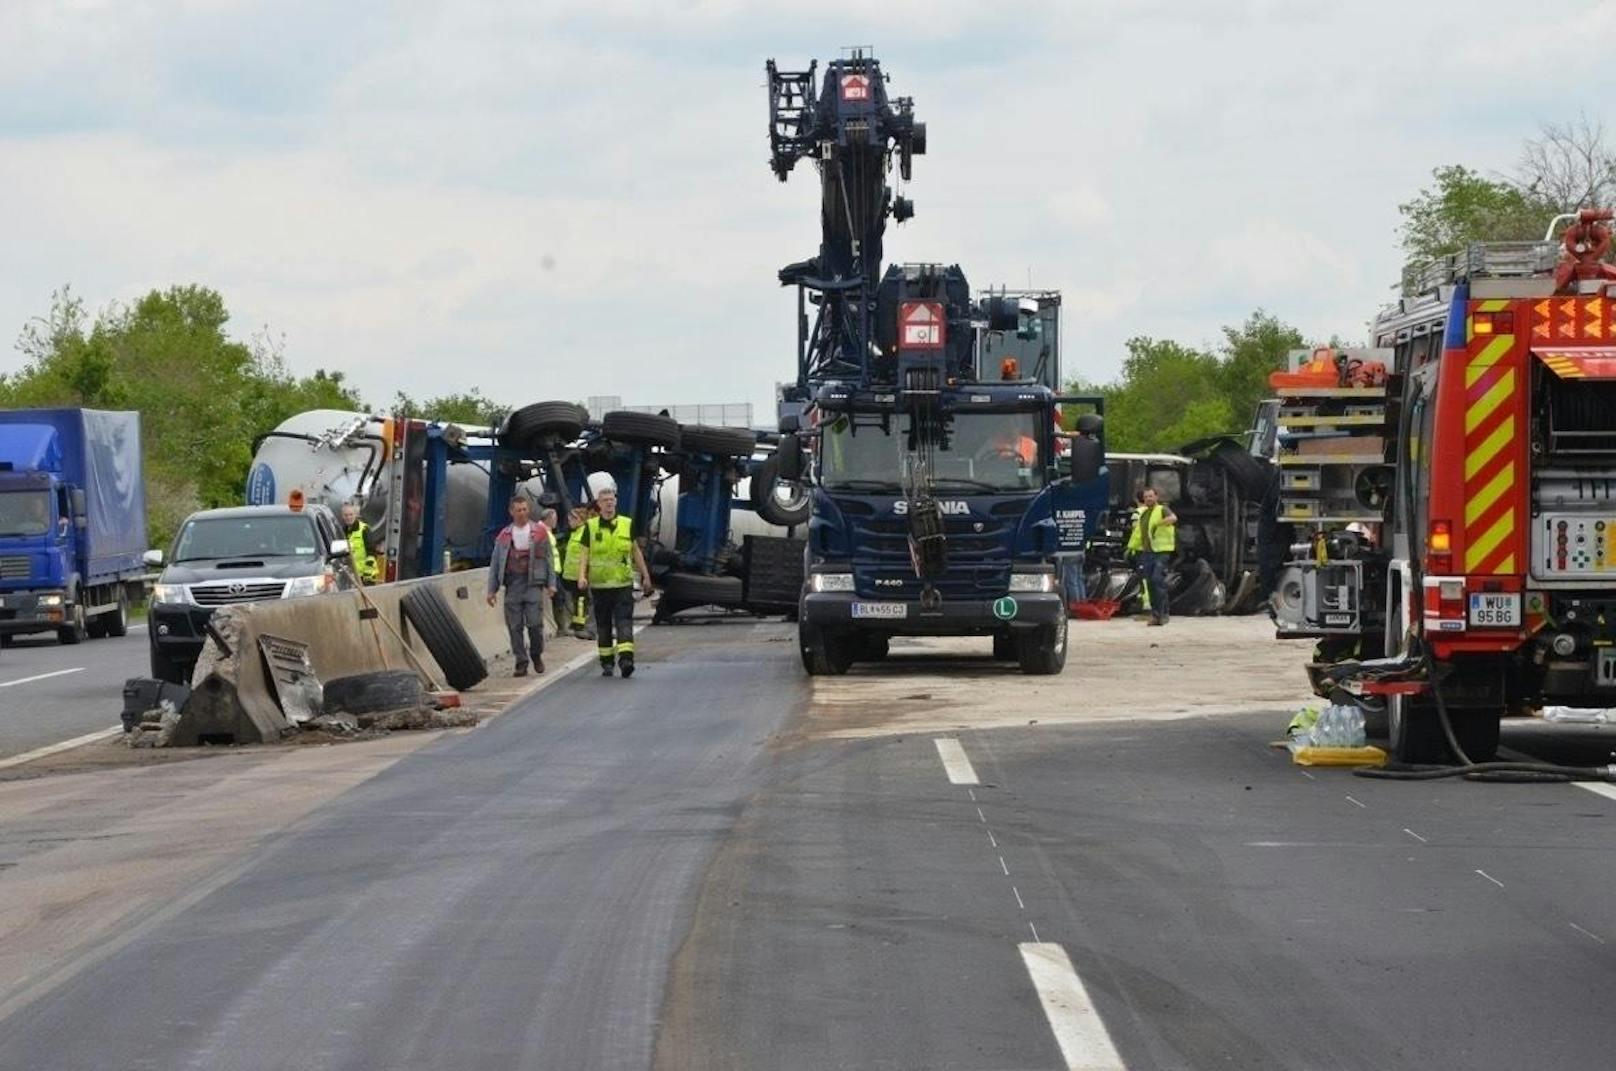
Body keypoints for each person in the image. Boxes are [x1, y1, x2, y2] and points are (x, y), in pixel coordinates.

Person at [575, 480, 653, 678]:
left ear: (616, 502)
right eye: (605, 500)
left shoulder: (626, 524)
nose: (609, 503)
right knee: (603, 626)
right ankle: (607, 662)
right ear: (599, 505)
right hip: (600, 586)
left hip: (622, 584)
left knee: (624, 623)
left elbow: (635, 552)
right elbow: (584, 553)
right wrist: (581, 576)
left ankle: (626, 660)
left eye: (611, 500)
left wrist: (645, 576)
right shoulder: (591, 527)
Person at [485, 495, 556, 676]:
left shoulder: (539, 532)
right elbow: (496, 564)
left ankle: (536, 654)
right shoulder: (504, 536)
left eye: (525, 509)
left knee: (534, 624)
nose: (522, 513)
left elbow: (549, 559)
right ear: (512, 512)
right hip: (513, 584)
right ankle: (521, 661)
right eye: (519, 510)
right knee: (514, 626)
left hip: (533, 584)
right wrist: (491, 590)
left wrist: (551, 583)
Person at [1135, 486, 1177, 626]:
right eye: (1146, 497)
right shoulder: (1145, 514)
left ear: (1156, 497)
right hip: (1147, 552)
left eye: (1151, 496)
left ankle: (1164, 613)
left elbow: (1173, 518)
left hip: (1161, 552)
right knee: (1151, 584)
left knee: (1157, 579)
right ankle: (1156, 615)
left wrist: (1160, 524)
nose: (1148, 499)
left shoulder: (1162, 509)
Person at [559, 503, 595, 640]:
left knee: (580, 600)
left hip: (578, 575)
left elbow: (586, 555)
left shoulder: (584, 534)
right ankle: (576, 623)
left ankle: (579, 624)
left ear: (579, 520)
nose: (569, 523)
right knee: (572, 600)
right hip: (569, 574)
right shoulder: (574, 534)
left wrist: (584, 574)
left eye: (571, 520)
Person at [339, 501, 381, 584]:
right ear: (342, 516)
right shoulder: (341, 532)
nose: (348, 517)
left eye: (351, 515)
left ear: (355, 515)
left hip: (365, 576)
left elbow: (371, 552)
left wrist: (368, 573)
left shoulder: (364, 529)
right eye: (346, 515)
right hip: (350, 576)